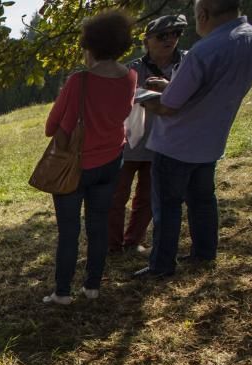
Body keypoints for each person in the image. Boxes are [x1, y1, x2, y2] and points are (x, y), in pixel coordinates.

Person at [135, 0, 252, 278]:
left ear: (202, 15)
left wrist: (140, 97)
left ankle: (161, 266)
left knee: (167, 207)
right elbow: (209, 86)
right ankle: (204, 253)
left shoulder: (203, 51)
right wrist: (173, 86)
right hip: (211, 138)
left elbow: (168, 107)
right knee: (203, 200)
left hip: (177, 142)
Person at [40, 12, 136, 304]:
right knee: (98, 225)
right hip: (111, 162)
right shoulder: (131, 77)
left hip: (74, 166)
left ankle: (62, 292)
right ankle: (93, 285)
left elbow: (52, 127)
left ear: (89, 45)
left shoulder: (79, 81)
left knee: (69, 232)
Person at [107, 15, 188, 254]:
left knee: (147, 198)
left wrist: (167, 88)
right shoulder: (132, 69)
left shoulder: (186, 64)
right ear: (147, 40)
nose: (170, 39)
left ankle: (133, 241)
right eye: (163, 35)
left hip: (164, 143)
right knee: (116, 196)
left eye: (176, 33)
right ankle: (112, 244)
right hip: (128, 144)